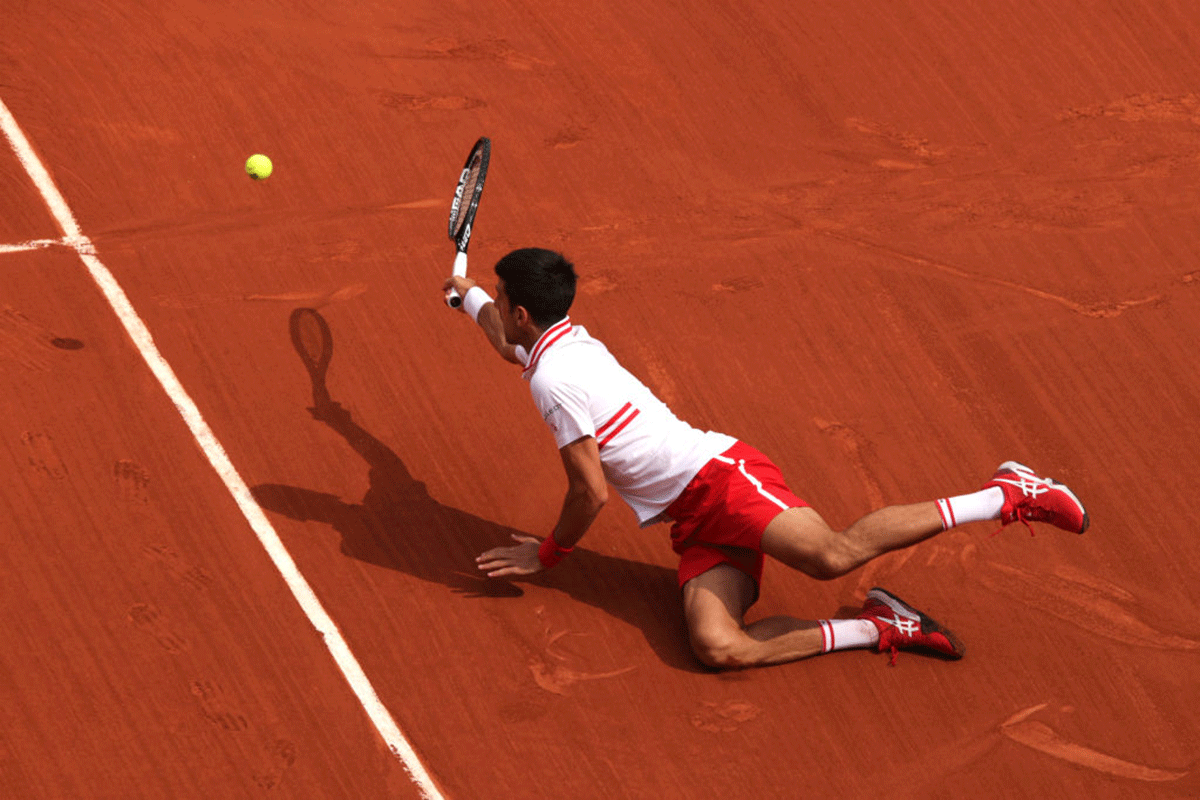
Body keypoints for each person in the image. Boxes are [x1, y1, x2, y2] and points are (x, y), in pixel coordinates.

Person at [443, 248, 1089, 669]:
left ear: (524, 312)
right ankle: (877, 626)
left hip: (723, 481)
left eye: (500, 300)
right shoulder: (562, 342)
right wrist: (469, 296)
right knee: (715, 647)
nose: (498, 309)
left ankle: (1006, 493)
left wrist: (548, 554)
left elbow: (591, 494)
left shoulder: (553, 381)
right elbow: (509, 345)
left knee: (832, 555)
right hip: (693, 517)